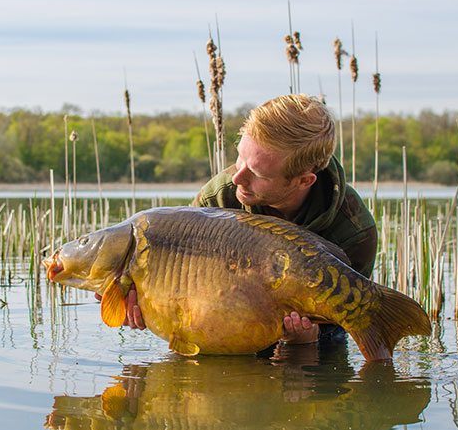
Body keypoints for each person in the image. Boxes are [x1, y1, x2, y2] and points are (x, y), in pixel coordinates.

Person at [115, 94, 377, 346]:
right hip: (228, 323)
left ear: (303, 181)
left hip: (313, 340)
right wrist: (151, 308)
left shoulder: (354, 231)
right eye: (240, 157)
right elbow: (185, 293)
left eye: (257, 172)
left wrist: (310, 340)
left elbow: (342, 327)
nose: (237, 178)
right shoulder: (217, 200)